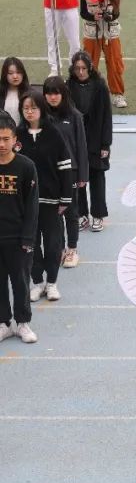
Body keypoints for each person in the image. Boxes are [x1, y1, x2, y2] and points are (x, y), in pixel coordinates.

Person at [16, 92, 72, 304]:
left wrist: (65, 198)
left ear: (42, 109)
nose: (29, 112)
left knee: (53, 245)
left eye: (34, 108)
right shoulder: (18, 135)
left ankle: (52, 283)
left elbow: (65, 167)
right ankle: (37, 282)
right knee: (30, 245)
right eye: (26, 108)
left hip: (52, 201)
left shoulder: (54, 133)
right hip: (25, 203)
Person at [0, 113, 39, 344]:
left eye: (6, 139)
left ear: (15, 139)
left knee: (21, 282)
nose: (1, 144)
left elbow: (32, 206)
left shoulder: (26, 166)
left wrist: (28, 238)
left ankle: (23, 322)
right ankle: (3, 323)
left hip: (18, 238)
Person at [42, 77, 88, 269]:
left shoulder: (74, 116)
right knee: (55, 213)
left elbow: (81, 146)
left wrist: (82, 175)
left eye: (56, 93)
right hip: (50, 173)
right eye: (49, 93)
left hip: (70, 172)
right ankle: (59, 248)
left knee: (70, 212)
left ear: (63, 94)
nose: (52, 97)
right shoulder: (42, 116)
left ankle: (72, 249)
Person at [66, 51, 112, 232]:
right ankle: (81, 214)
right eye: (77, 68)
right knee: (78, 179)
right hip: (76, 141)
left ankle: (98, 214)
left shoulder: (100, 86)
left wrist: (105, 144)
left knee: (97, 178)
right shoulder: (68, 86)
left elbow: (107, 117)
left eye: (83, 68)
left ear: (90, 68)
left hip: (96, 141)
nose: (80, 72)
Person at [79, 0, 126, 108]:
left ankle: (118, 94)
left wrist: (111, 16)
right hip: (92, 33)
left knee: (115, 63)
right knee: (89, 64)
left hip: (111, 33)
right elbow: (83, 13)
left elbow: (117, 12)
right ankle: (89, 94)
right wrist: (93, 17)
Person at [37, 0, 79, 77]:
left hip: (69, 3)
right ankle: (55, 68)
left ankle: (74, 67)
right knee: (52, 38)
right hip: (51, 5)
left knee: (74, 40)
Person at [2, 56, 32, 124]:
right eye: (10, 73)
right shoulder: (1, 93)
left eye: (18, 72)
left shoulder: (31, 94)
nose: (15, 76)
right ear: (5, 75)